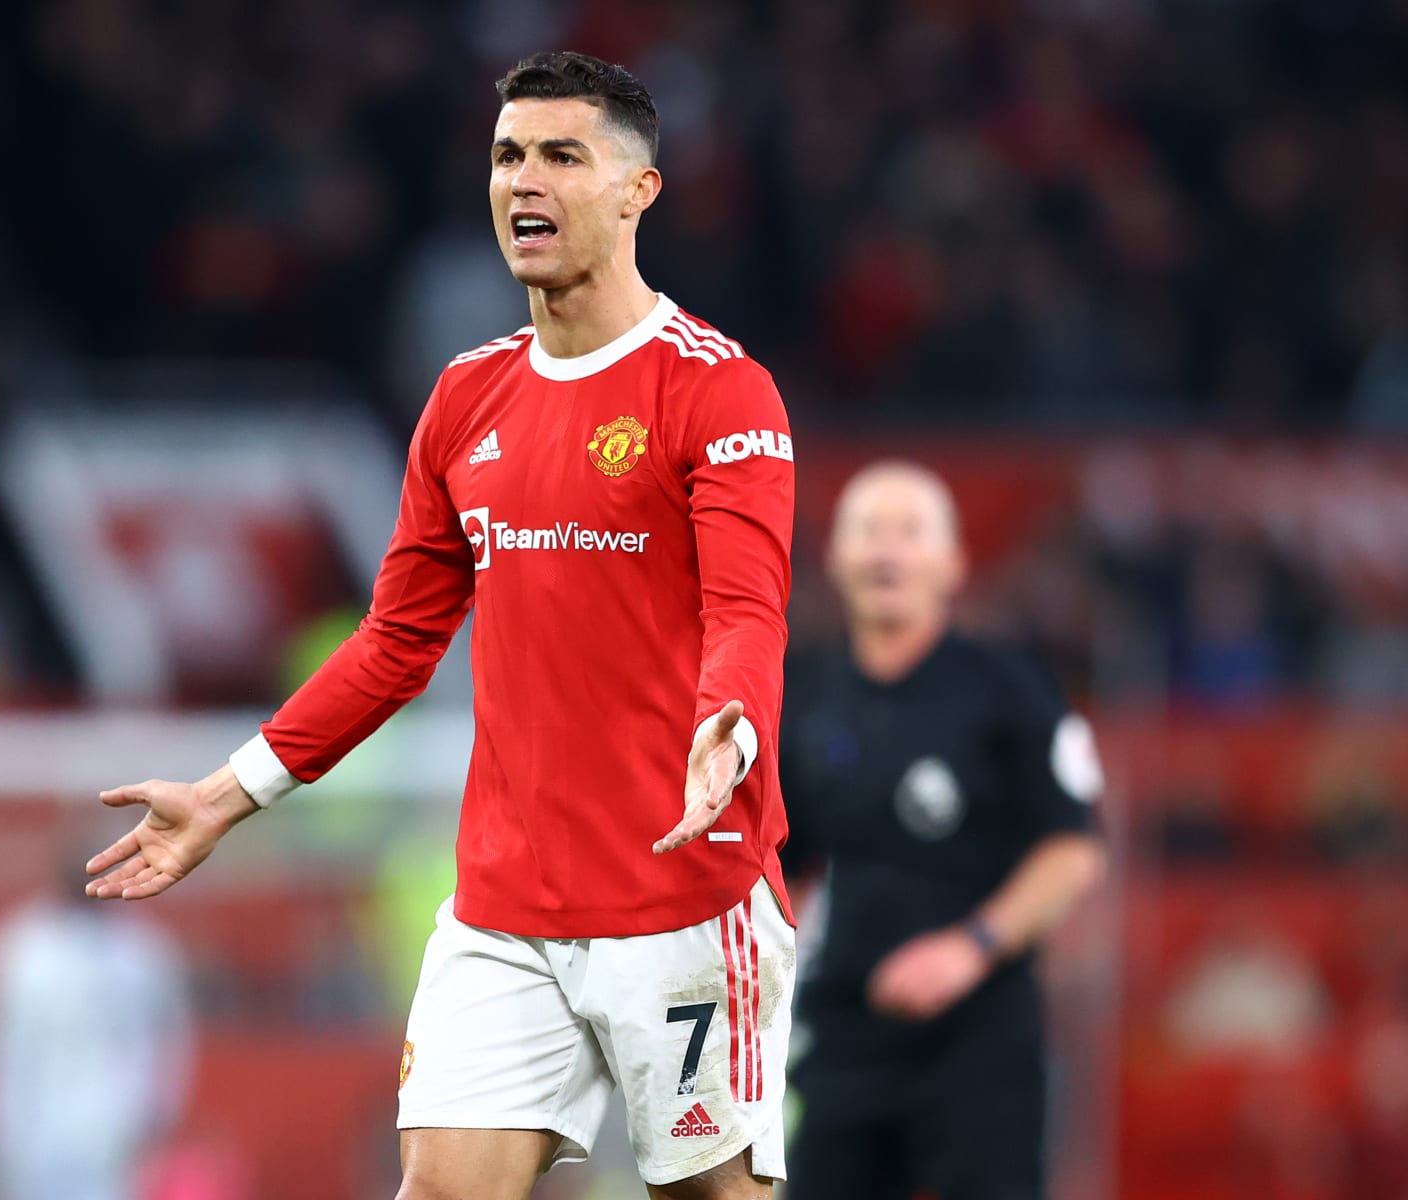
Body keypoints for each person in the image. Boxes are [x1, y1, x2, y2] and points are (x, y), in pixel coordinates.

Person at [86, 51, 798, 1200]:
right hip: (505, 911)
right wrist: (225, 796)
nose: (527, 179)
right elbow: (392, 643)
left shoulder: (717, 390)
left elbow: (748, 605)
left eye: (564, 155)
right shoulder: (466, 400)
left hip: (682, 895)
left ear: (637, 192)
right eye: (509, 155)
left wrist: (731, 720)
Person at [779, 462, 1106, 1200]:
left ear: (953, 564)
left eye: (910, 532)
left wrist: (970, 947)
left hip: (979, 1041)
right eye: (868, 531)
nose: (887, 551)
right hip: (843, 1036)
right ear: (836, 557)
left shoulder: (1010, 689)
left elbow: (1073, 849)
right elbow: (779, 861)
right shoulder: (802, 694)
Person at [0, 818, 196, 1200]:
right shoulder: (18, 944)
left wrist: (159, 1113)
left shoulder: (143, 949)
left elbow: (171, 1038)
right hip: (28, 1137)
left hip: (114, 1135)